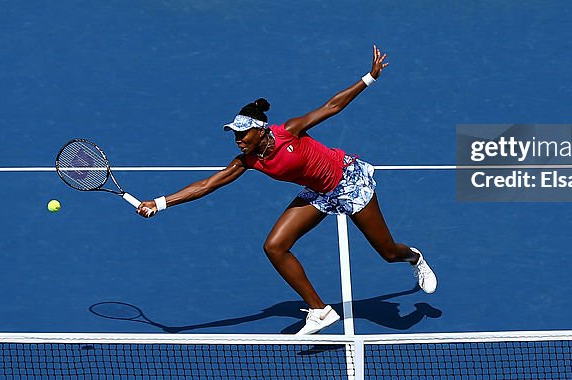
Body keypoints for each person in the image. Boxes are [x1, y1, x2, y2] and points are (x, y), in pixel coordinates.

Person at [136, 46, 436, 335]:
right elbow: (207, 184)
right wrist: (160, 203)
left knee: (388, 252)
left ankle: (414, 258)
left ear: (260, 130)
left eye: (243, 133)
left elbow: (333, 106)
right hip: (319, 192)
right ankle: (320, 310)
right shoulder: (246, 161)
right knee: (274, 246)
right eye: (235, 134)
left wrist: (369, 77)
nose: (238, 139)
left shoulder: (289, 130)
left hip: (348, 180)